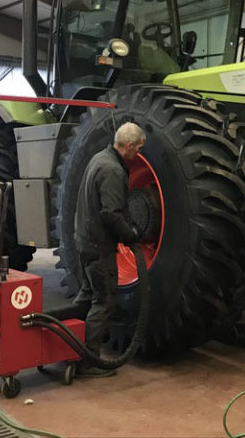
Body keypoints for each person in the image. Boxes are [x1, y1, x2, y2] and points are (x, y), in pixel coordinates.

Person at [72, 121, 146, 377]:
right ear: (128, 146)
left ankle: (68, 347)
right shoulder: (113, 170)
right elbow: (111, 215)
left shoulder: (99, 159)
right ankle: (89, 361)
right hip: (99, 246)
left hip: (84, 240)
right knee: (103, 301)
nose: (139, 153)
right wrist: (131, 235)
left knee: (86, 296)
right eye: (138, 149)